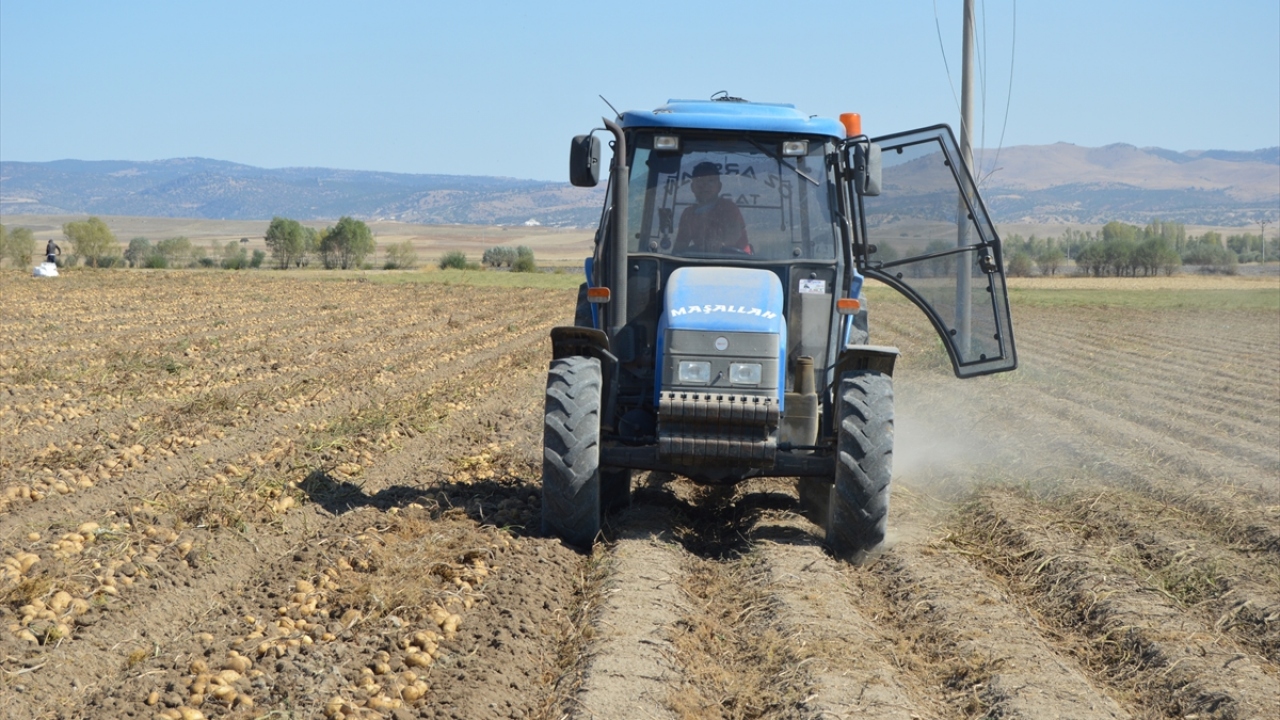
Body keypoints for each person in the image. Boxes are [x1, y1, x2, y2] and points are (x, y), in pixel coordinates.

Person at [673, 161, 750, 255]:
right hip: (698, 264)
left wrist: (716, 245)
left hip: (738, 263)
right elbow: (680, 246)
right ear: (692, 187)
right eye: (700, 181)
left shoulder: (729, 209)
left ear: (719, 187)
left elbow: (733, 237)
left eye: (710, 181)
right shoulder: (688, 214)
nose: (705, 186)